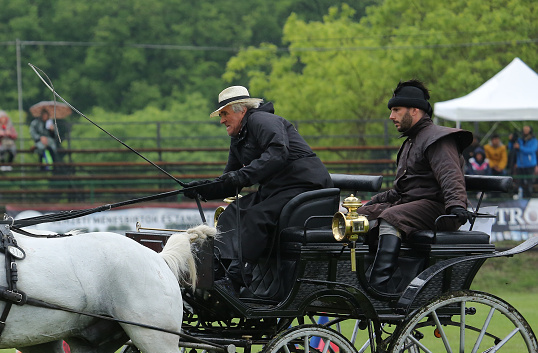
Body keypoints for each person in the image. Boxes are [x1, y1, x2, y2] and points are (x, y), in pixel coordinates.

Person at [184, 85, 333, 297]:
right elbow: (230, 179)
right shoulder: (238, 139)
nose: (222, 120)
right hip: (278, 189)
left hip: (305, 186)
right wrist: (202, 189)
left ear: (241, 110)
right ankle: (219, 272)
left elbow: (278, 153)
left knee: (256, 217)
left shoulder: (262, 120)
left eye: (224, 114)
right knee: (232, 212)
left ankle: (237, 277)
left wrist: (243, 176)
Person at [357, 79, 472, 293]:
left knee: (391, 218)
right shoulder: (412, 141)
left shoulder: (437, 139)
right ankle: (363, 280)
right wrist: (371, 203)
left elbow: (450, 175)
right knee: (358, 219)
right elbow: (402, 191)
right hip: (412, 206)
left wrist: (457, 205)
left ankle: (378, 288)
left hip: (438, 209)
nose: (391, 116)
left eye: (396, 110)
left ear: (415, 110)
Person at [511, 125, 538, 198]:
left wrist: (520, 147)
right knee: (520, 183)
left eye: (527, 129)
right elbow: (513, 149)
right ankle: (521, 197)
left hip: (530, 165)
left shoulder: (534, 141)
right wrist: (512, 141)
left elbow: (531, 150)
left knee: (529, 183)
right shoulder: (520, 140)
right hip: (520, 165)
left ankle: (529, 197)